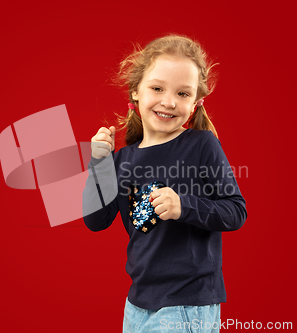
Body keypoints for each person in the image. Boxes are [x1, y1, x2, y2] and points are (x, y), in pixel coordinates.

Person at [82, 34, 247, 333]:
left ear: (196, 101)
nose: (169, 101)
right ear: (136, 92)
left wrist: (184, 206)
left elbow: (236, 211)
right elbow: (96, 221)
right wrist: (98, 165)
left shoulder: (202, 145)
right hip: (136, 305)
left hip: (186, 303)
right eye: (157, 88)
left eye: (183, 94)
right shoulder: (121, 159)